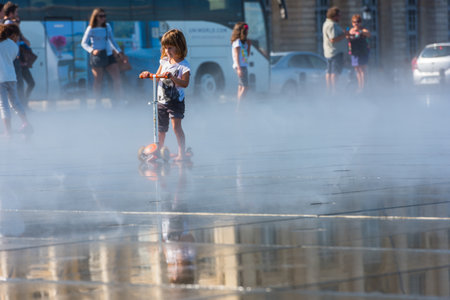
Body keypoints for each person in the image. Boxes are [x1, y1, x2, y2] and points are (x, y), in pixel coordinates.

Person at [139, 29, 190, 162]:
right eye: (165, 48)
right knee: (161, 129)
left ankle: (181, 153)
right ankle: (158, 150)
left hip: (175, 101)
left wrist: (173, 78)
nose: (167, 51)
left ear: (179, 46)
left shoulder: (183, 66)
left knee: (176, 127)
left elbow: (185, 83)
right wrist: (148, 75)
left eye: (170, 48)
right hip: (161, 100)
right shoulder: (164, 62)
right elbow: (156, 77)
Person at [81, 8, 123, 108]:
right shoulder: (91, 28)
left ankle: (118, 100)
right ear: (95, 17)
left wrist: (119, 51)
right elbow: (83, 43)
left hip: (108, 54)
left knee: (117, 79)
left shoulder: (107, 27)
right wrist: (92, 50)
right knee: (98, 80)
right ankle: (97, 102)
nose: (103, 18)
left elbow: (112, 40)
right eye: (101, 16)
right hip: (97, 56)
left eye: (104, 16)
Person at [0, 24, 33, 138]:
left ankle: (7, 131)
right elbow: (13, 58)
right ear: (12, 35)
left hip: (0, 79)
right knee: (15, 102)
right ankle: (26, 122)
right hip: (12, 78)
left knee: (4, 105)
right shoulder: (14, 46)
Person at [322, 6, 348, 95]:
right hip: (335, 52)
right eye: (339, 16)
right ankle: (334, 90)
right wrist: (345, 35)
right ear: (334, 16)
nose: (340, 17)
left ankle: (329, 90)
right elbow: (333, 39)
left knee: (329, 71)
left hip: (328, 52)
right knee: (334, 72)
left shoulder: (326, 23)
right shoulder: (332, 25)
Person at [348, 14, 370, 93]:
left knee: (362, 70)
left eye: (357, 22)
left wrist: (359, 32)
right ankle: (359, 86)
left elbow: (368, 34)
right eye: (354, 22)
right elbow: (347, 35)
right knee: (357, 69)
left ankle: (363, 87)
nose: (356, 23)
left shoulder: (363, 30)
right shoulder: (351, 30)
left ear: (360, 22)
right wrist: (349, 33)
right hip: (354, 52)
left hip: (362, 52)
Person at [230, 22, 251, 109]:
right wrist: (239, 68)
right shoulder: (237, 42)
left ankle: (239, 106)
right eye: (246, 31)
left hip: (243, 65)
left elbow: (247, 55)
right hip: (240, 67)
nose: (247, 32)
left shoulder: (244, 43)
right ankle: (239, 107)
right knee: (245, 87)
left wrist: (249, 45)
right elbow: (236, 56)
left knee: (241, 87)